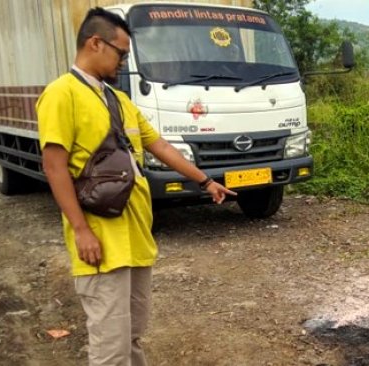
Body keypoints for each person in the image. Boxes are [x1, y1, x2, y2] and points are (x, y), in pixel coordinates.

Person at [36, 8, 236, 366]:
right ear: (95, 43)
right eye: (121, 53)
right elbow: (54, 167)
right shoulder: (61, 93)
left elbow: (159, 145)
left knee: (132, 336)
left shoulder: (119, 100)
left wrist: (205, 181)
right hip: (101, 242)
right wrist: (81, 230)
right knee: (110, 347)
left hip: (136, 240)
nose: (124, 61)